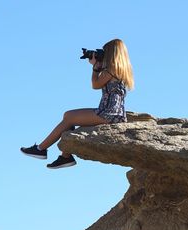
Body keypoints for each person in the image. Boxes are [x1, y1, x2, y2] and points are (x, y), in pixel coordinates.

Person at [21, 38, 134, 169]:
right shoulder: (121, 69)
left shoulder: (112, 69)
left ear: (113, 52)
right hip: (113, 112)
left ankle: (42, 149)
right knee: (68, 115)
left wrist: (95, 68)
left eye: (106, 52)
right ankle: (65, 157)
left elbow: (95, 85)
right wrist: (98, 66)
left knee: (69, 118)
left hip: (109, 113)